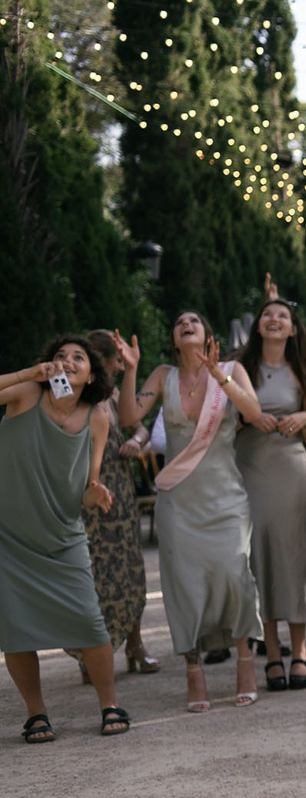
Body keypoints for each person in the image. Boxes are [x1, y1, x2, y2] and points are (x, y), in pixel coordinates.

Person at [120, 313, 270, 711]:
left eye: (194, 321)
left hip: (226, 499)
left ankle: (245, 661)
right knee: (184, 585)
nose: (186, 323)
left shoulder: (231, 370)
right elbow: (129, 418)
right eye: (180, 322)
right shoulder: (162, 376)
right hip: (179, 502)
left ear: (207, 335)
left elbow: (254, 414)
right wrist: (132, 369)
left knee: (235, 574)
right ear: (175, 338)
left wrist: (219, 377)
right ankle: (193, 669)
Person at [3, 340, 130, 739]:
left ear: (91, 376)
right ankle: (36, 713)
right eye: (60, 356)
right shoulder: (27, 394)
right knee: (15, 627)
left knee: (90, 621)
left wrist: (95, 493)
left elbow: (86, 487)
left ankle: (109, 705)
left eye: (78, 357)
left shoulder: (97, 417)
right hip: (9, 536)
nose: (67, 361)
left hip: (62, 535)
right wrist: (28, 373)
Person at [237, 287, 306, 691]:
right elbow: (225, 420)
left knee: (293, 556)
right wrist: (249, 418)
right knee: (259, 557)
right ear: (258, 326)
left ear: (292, 329)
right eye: (267, 315)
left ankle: (299, 650)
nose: (274, 320)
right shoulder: (241, 368)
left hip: (291, 471)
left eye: (282, 316)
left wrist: (304, 417)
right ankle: (271, 652)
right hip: (249, 469)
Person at [84, 328, 160, 675]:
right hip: (88, 492)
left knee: (130, 568)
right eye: (116, 360)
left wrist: (137, 442)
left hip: (121, 491)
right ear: (100, 359)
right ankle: (91, 652)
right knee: (95, 573)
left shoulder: (114, 392)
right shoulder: (78, 396)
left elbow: (140, 427)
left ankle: (135, 644)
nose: (119, 366)